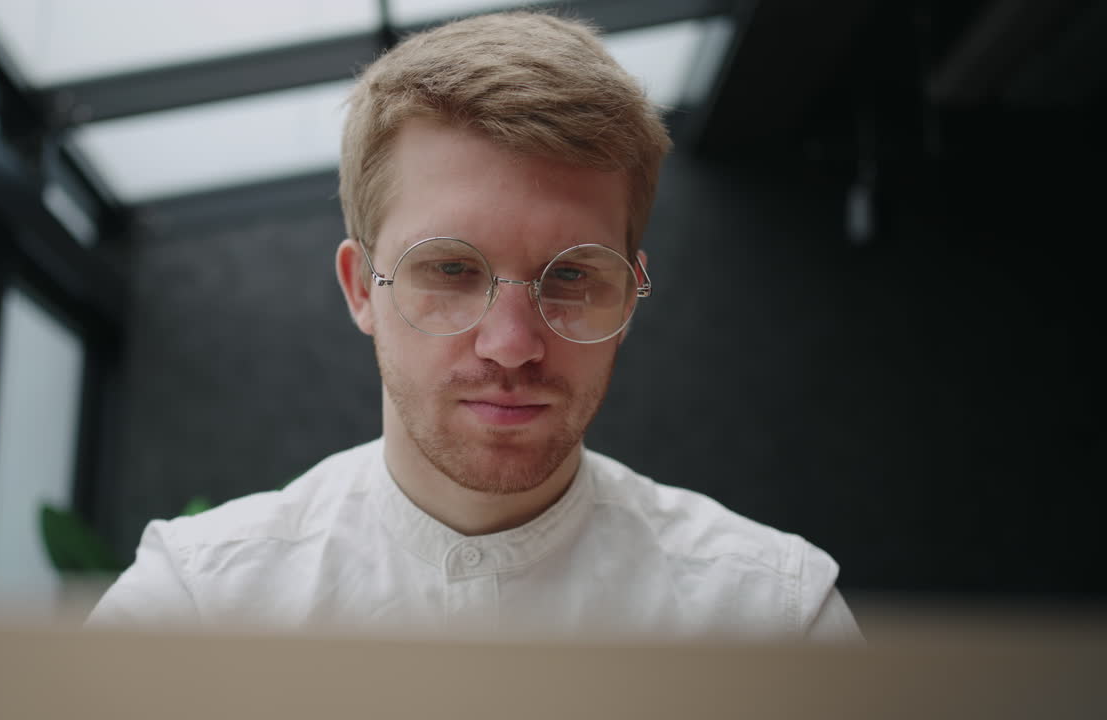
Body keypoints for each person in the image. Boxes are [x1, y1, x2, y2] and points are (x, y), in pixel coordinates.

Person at [88, 11, 861, 640]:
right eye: (452, 271)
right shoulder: (198, 606)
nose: (513, 346)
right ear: (362, 288)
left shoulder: (773, 616)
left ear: (629, 297)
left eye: (571, 276)